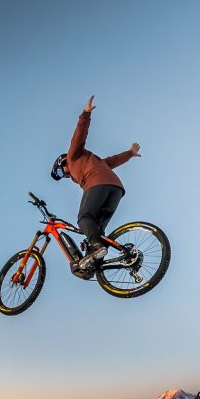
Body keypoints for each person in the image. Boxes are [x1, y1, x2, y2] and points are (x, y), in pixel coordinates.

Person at [50, 95, 141, 270]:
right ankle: (95, 264)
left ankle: (97, 248)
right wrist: (129, 153)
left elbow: (79, 135)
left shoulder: (73, 156)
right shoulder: (94, 162)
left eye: (62, 172)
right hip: (116, 190)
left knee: (84, 218)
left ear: (63, 162)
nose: (65, 176)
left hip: (97, 184)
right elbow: (112, 161)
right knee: (96, 232)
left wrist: (85, 114)